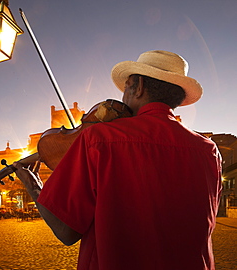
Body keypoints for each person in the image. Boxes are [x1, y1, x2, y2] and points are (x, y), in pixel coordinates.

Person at [14, 50, 222, 270]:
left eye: (125, 89)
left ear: (139, 86)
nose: (121, 99)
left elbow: (66, 231)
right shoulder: (209, 151)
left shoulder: (99, 139)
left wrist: (33, 185)